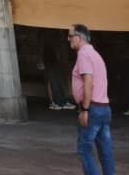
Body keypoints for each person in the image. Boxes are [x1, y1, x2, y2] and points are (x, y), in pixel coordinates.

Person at [69, 24, 114, 175]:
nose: (68, 39)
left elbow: (88, 81)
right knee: (105, 151)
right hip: (103, 107)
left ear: (79, 37)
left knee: (84, 149)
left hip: (93, 108)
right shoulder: (95, 54)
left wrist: (85, 109)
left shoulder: (83, 54)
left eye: (70, 35)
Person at [42, 29, 76, 110]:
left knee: (58, 80)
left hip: (55, 60)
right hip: (50, 60)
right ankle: (54, 102)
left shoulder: (53, 39)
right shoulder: (47, 39)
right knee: (52, 81)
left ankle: (61, 101)